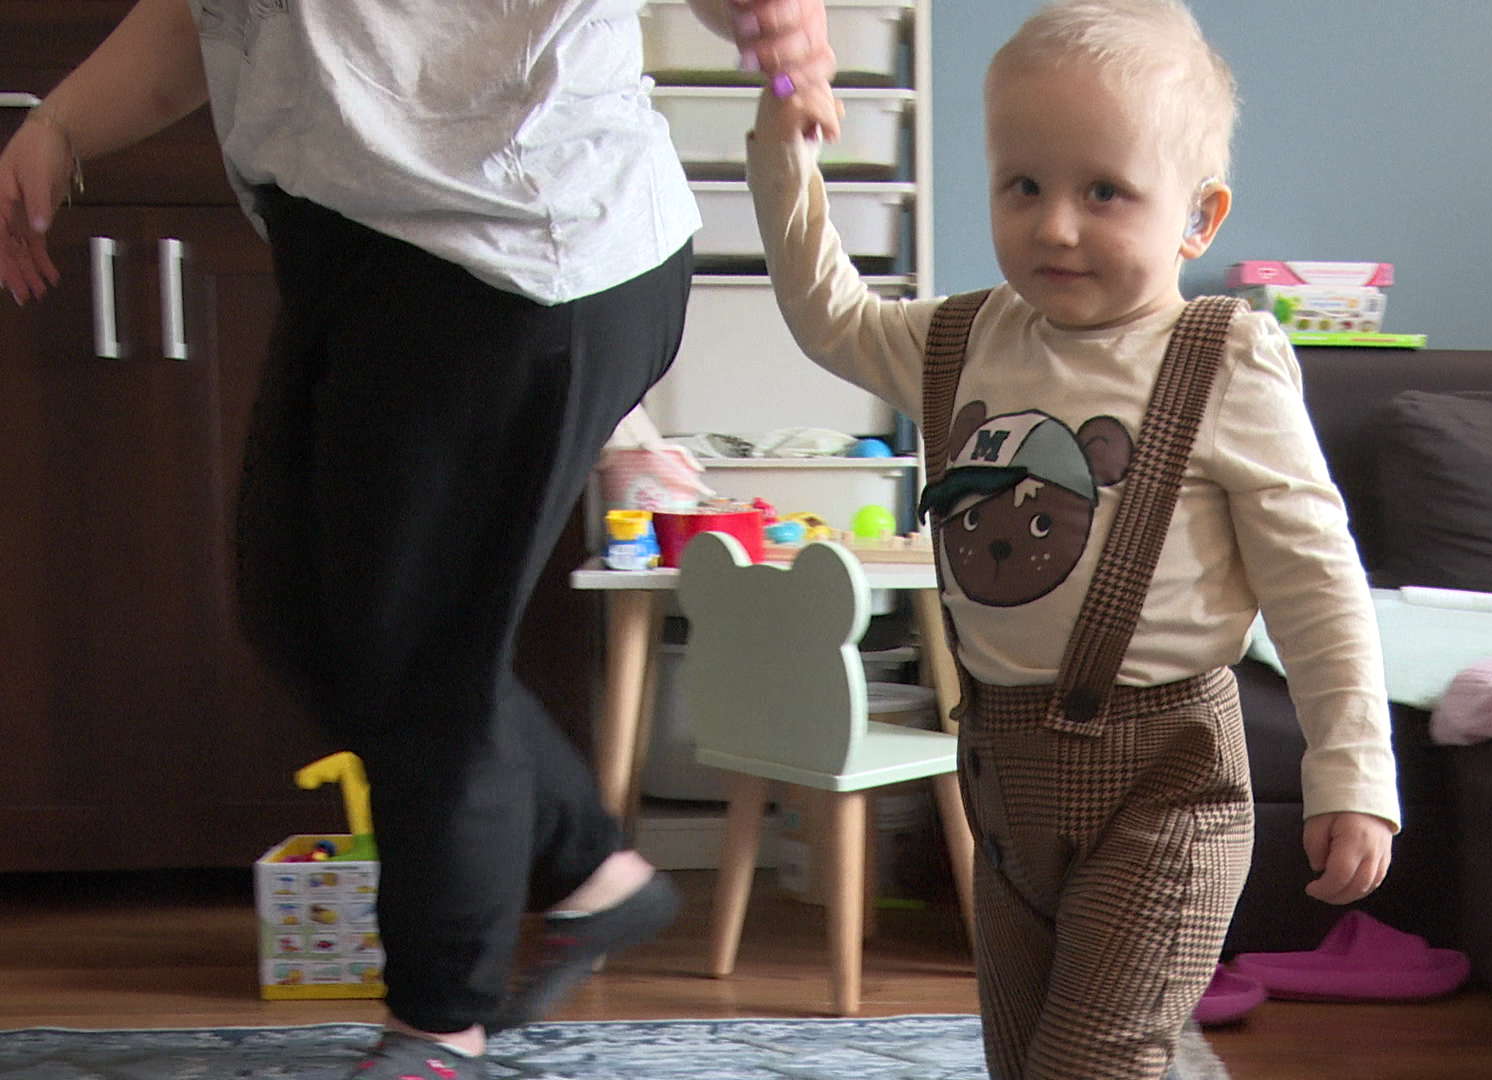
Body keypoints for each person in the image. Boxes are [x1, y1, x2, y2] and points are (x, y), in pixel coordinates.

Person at [0, 2, 835, 1077]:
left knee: (422, 654)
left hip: (516, 250)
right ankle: (590, 866)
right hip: (350, 242)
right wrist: (61, 124)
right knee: (298, 610)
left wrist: (773, 24)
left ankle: (441, 1024)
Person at [747, 1, 1399, 1076]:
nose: (1055, 227)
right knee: (1028, 1059)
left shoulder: (1223, 359)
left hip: (1169, 785)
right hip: (1005, 782)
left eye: (1104, 192)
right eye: (1023, 186)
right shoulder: (958, 339)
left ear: (1198, 217)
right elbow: (828, 315)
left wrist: (1353, 769)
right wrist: (786, 156)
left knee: (1089, 1063)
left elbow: (1317, 582)